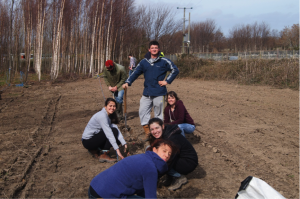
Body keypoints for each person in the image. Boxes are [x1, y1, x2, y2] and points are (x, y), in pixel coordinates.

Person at [122, 41, 179, 139]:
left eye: (156, 48)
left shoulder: (164, 61)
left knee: (158, 114)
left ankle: (158, 134)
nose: (154, 49)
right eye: (152, 48)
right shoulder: (144, 62)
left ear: (159, 49)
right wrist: (127, 82)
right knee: (143, 111)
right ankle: (148, 132)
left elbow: (175, 70)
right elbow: (135, 72)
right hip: (147, 92)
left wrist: (167, 81)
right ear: (149, 49)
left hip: (159, 92)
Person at [88, 139, 177, 199]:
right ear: (154, 150)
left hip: (93, 188)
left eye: (169, 154)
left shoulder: (144, 157)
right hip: (101, 195)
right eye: (164, 151)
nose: (166, 155)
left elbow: (142, 190)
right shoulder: (150, 168)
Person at [148, 118, 198, 191]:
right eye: (152, 129)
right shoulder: (165, 133)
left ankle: (178, 177)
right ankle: (170, 176)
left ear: (163, 126)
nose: (155, 131)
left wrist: (155, 177)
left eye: (157, 128)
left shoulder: (172, 138)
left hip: (188, 162)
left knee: (164, 159)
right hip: (179, 158)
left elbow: (169, 161)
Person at [82, 98, 127, 163]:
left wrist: (124, 144)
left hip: (93, 138)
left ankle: (95, 150)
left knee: (117, 140)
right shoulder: (102, 116)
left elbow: (116, 129)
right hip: (88, 141)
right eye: (110, 106)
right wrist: (118, 150)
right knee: (113, 132)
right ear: (105, 107)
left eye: (114, 106)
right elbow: (109, 133)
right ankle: (103, 154)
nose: (112, 108)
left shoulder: (109, 115)